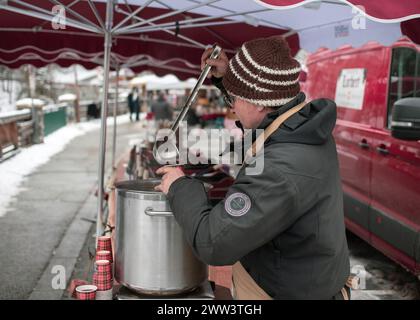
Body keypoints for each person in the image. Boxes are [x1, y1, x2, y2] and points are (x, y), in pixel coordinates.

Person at [155, 36, 351, 300]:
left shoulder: (280, 167)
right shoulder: (302, 126)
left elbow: (214, 242)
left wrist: (179, 186)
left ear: (259, 101)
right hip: (301, 278)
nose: (232, 107)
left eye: (235, 99)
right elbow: (261, 126)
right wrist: (229, 81)